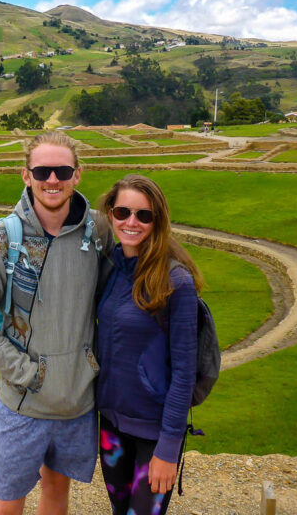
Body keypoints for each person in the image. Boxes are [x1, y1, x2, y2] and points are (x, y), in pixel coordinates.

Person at [0, 131, 113, 515]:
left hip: (77, 402)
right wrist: (29, 373)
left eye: (62, 170)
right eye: (42, 170)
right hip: (24, 403)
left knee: (57, 492)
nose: (52, 180)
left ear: (78, 175)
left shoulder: (98, 232)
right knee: (7, 504)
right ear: (26, 176)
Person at [96, 174, 203, 515]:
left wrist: (169, 448)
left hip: (155, 432)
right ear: (110, 214)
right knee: (119, 510)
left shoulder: (176, 282)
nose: (131, 222)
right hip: (111, 424)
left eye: (144, 215)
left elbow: (185, 371)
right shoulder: (110, 266)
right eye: (123, 212)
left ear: (158, 220)